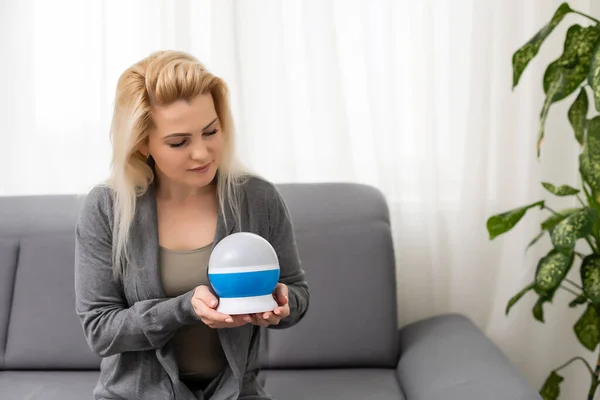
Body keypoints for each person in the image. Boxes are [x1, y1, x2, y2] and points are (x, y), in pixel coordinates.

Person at [74, 50, 310, 400]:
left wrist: (282, 301)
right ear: (142, 144)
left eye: (210, 131)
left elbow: (298, 293)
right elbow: (100, 330)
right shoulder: (107, 207)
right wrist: (184, 309)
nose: (202, 152)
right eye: (179, 141)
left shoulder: (258, 200)